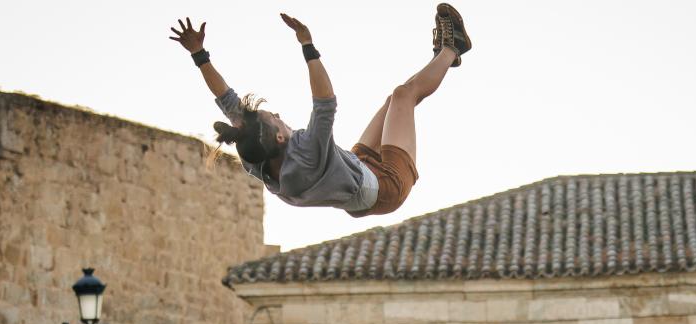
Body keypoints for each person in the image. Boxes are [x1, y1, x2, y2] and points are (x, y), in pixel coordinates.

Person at [171, 1, 471, 218]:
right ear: (278, 137)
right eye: (276, 119)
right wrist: (307, 45)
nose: (278, 115)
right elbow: (325, 102)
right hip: (387, 186)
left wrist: (199, 54)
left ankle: (439, 62)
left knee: (395, 101)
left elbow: (226, 98)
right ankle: (452, 49)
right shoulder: (308, 155)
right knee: (404, 96)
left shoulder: (255, 156)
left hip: (353, 171)